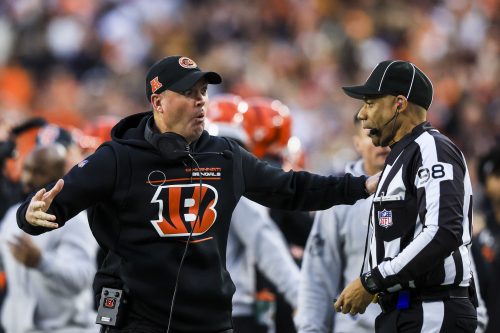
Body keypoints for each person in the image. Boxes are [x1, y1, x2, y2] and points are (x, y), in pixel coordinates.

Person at [16, 55, 378, 333]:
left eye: (203, 91)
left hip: (211, 321)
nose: (200, 101)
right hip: (137, 321)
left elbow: (290, 188)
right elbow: (50, 206)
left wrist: (358, 186)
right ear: (157, 102)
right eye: (188, 93)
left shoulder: (224, 155)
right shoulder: (117, 158)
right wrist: (28, 218)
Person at [334, 60, 478, 332]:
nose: (362, 115)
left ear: (399, 103)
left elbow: (443, 232)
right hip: (405, 312)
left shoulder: (432, 148)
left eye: (370, 103)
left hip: (430, 310)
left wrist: (371, 282)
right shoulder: (401, 156)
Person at [207, 94, 300, 333]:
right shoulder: (229, 176)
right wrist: (302, 298)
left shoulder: (174, 177)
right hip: (233, 312)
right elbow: (264, 241)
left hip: (194, 311)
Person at [295, 115, 389, 333]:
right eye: (372, 134)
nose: (382, 142)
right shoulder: (340, 197)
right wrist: (310, 329)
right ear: (357, 143)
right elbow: (318, 273)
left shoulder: (419, 187)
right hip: (356, 326)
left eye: (387, 134)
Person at [0, 144, 98, 333]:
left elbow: (82, 278)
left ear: (60, 174)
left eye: (39, 172)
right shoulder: (15, 214)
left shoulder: (75, 220)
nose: (28, 178)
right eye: (27, 169)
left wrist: (41, 262)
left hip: (67, 328)